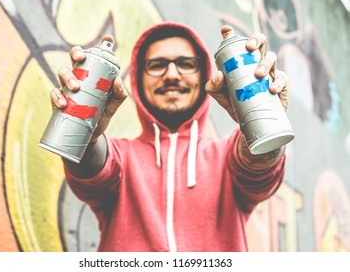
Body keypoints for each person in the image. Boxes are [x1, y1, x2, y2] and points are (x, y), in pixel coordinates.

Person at [50, 21, 289, 252]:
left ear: (203, 73)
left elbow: (258, 168)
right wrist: (86, 133)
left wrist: (265, 115)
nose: (172, 74)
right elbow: (91, 170)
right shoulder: (120, 159)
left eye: (185, 63)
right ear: (138, 79)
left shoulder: (227, 156)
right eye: (157, 65)